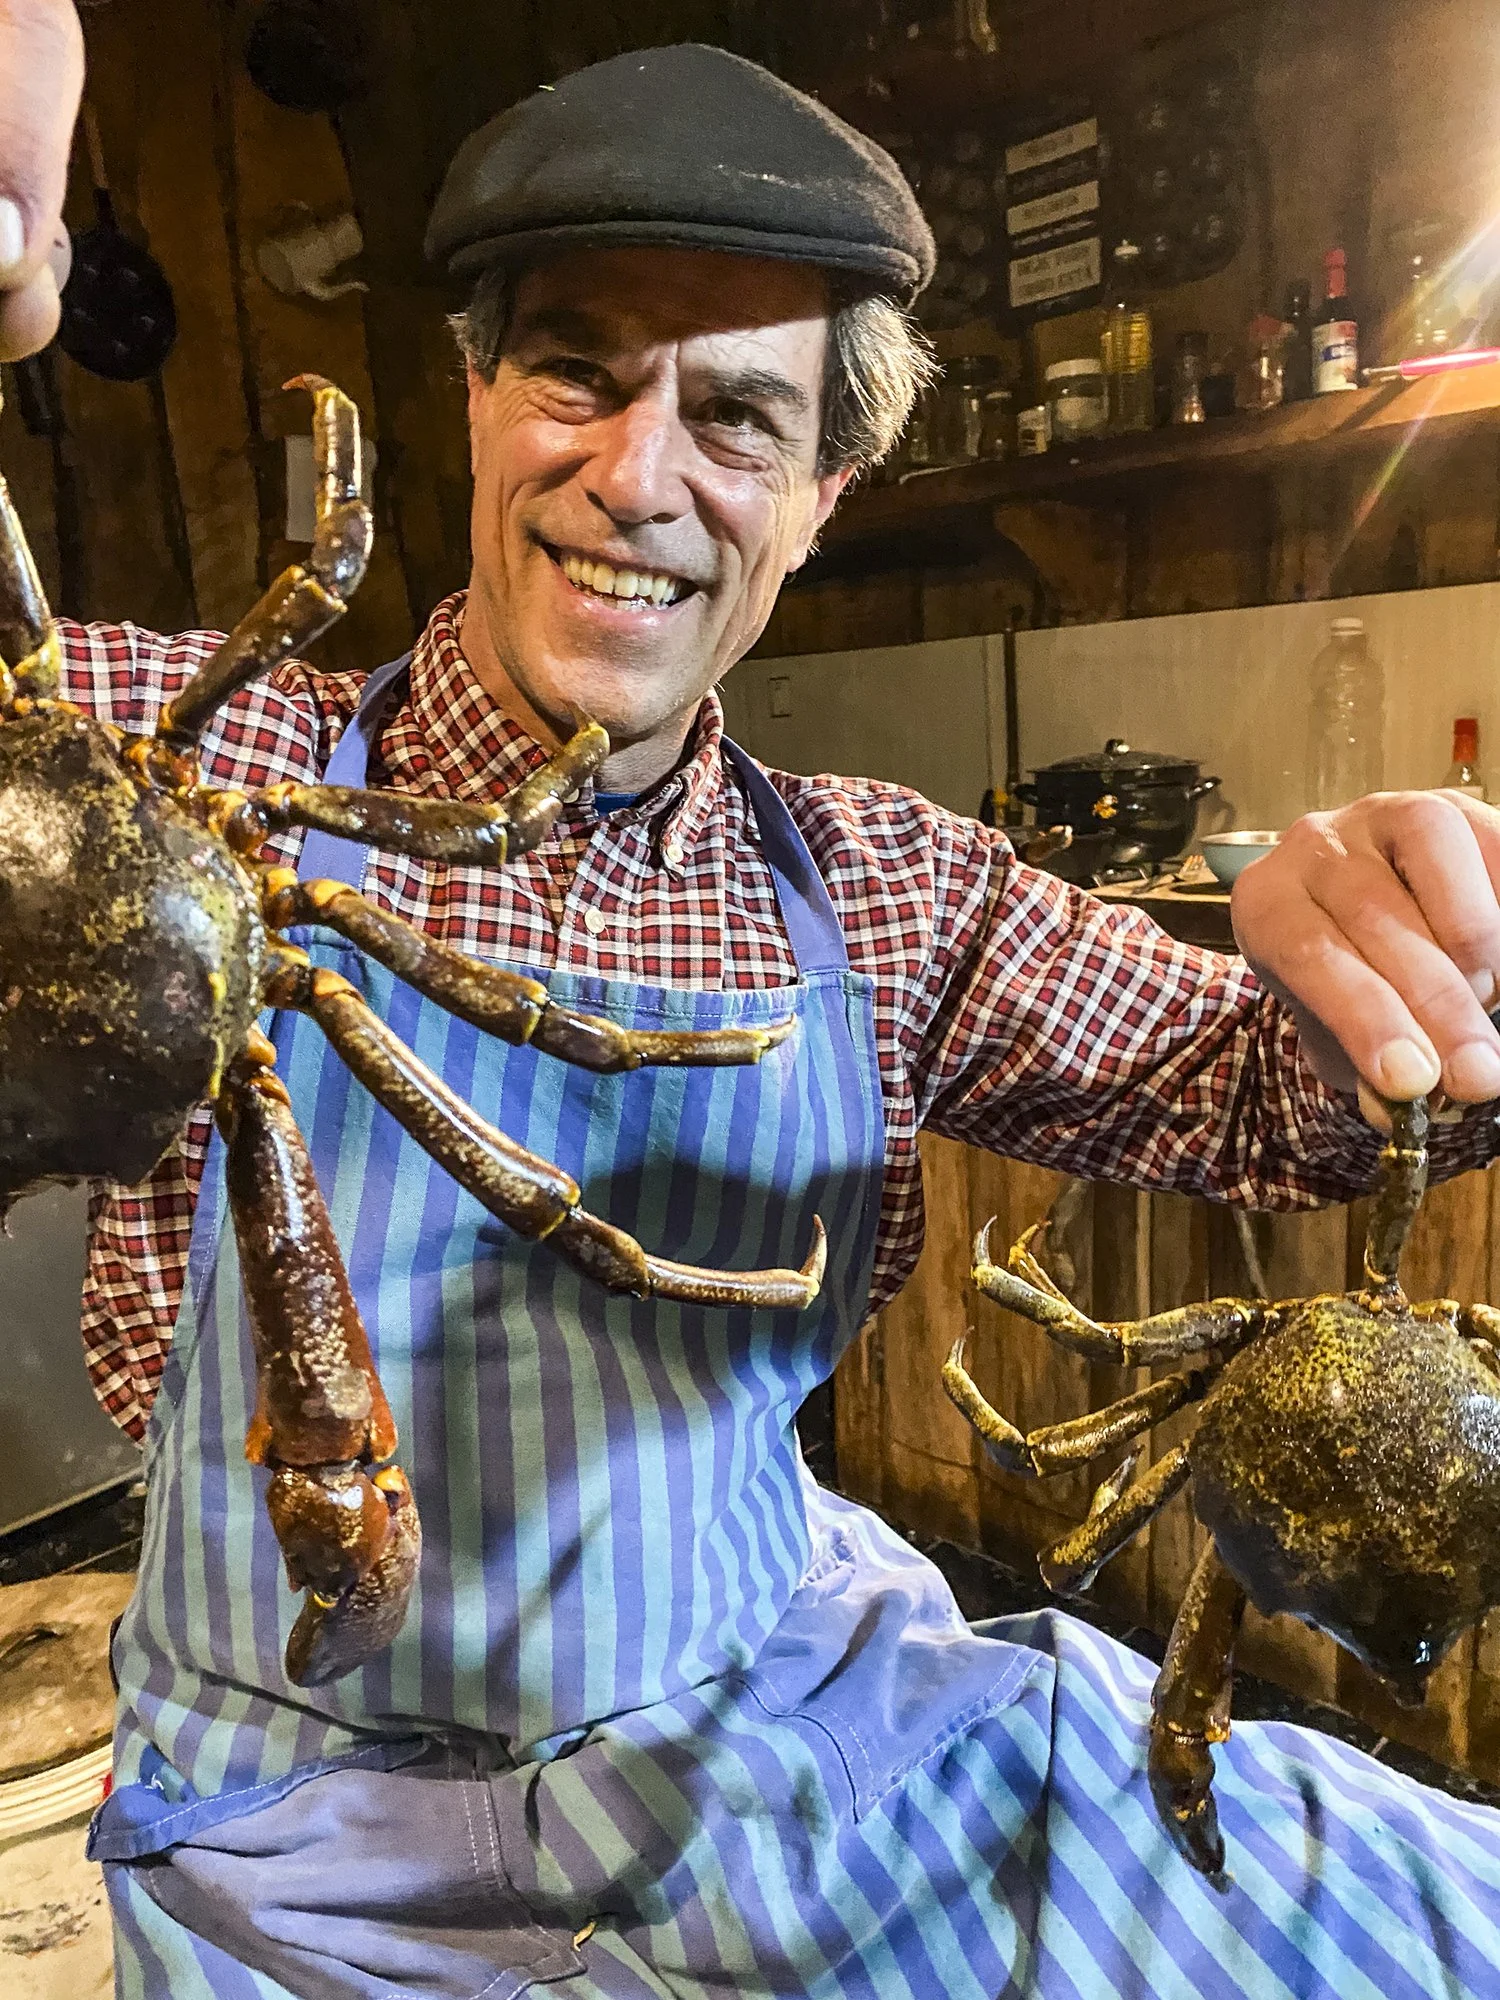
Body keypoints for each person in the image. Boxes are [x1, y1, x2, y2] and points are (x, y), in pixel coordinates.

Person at [5, 10, 1500, 1996]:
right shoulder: (153, 757)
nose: (638, 475)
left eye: (736, 419)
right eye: (579, 370)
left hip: (770, 1720)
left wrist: (1414, 980)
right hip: (303, 1825)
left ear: (822, 492)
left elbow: (1258, 1098)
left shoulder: (890, 891)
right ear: (475, 392)